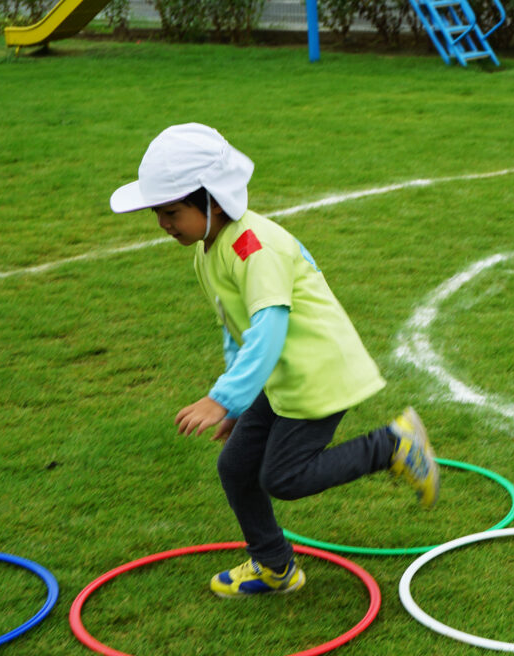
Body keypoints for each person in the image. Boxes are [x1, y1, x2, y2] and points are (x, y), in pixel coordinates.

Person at [110, 123, 439, 597]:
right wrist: (240, 403)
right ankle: (274, 566)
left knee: (284, 476)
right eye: (157, 212)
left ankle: (393, 445)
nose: (162, 223)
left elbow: (267, 329)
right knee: (235, 467)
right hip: (278, 376)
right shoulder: (208, 251)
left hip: (316, 372)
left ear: (214, 200)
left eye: (170, 211)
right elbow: (237, 329)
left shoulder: (254, 247)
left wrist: (222, 399)